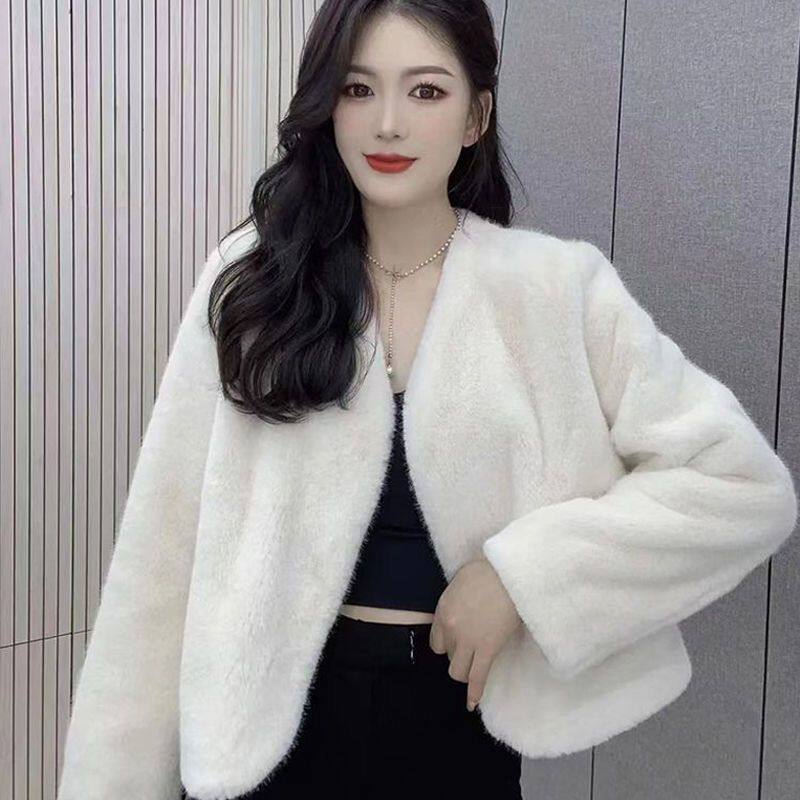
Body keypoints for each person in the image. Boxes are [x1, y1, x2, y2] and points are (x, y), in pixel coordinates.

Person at [56, 2, 798, 800]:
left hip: (453, 724)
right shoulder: (255, 283)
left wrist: (524, 580)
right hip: (265, 733)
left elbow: (738, 485)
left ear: (476, 116)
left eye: (426, 91)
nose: (387, 123)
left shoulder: (554, 291)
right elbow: (162, 555)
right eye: (358, 89)